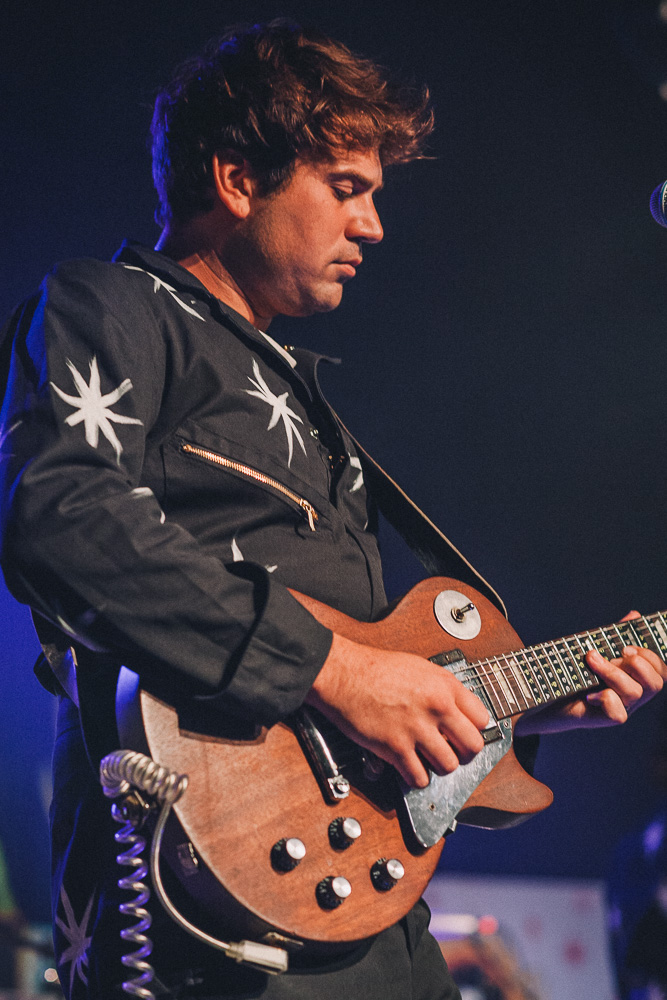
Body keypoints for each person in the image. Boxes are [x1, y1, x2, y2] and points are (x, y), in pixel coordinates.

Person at [0, 20, 664, 1000]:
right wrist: (336, 669)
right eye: (346, 188)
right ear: (236, 179)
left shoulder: (311, 409)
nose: (373, 226)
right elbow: (61, 517)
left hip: (371, 914)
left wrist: (508, 709)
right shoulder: (110, 307)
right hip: (204, 923)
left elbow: (365, 700)